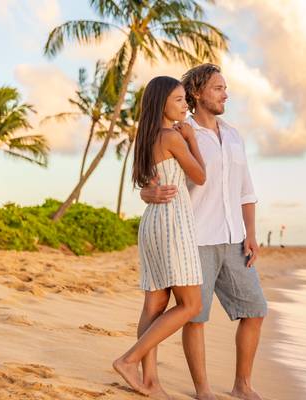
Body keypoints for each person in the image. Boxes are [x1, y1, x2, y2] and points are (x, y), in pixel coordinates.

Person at [140, 64, 266, 400]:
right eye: (218, 88)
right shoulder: (180, 129)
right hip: (194, 237)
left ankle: (243, 385)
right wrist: (146, 193)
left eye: (225, 88)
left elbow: (246, 190)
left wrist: (251, 233)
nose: (226, 94)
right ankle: (203, 390)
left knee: (255, 310)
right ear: (197, 93)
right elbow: (152, 176)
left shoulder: (234, 134)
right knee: (195, 317)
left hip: (235, 238)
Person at [113, 76, 206, 398]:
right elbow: (200, 176)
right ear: (162, 103)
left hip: (153, 222)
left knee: (155, 303)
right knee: (191, 305)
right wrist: (192, 139)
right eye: (179, 100)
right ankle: (129, 360)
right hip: (173, 223)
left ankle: (150, 380)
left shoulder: (147, 137)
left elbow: (147, 183)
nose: (186, 105)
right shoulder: (172, 136)